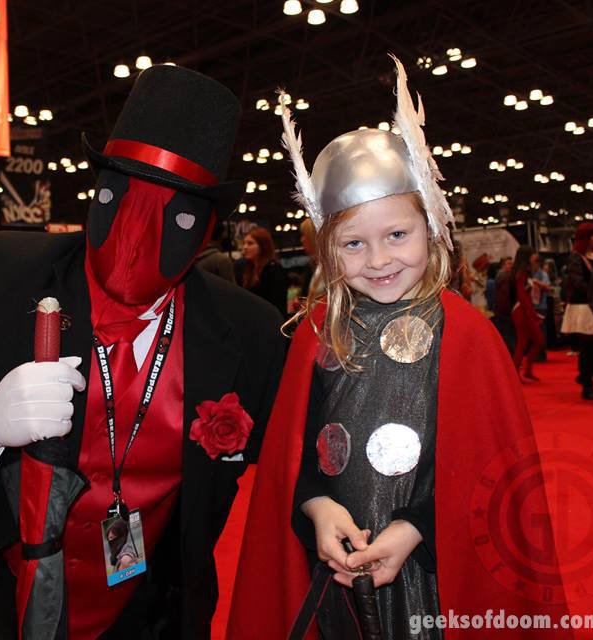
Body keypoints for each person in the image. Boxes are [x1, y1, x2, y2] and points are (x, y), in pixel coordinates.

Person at [0, 65, 285, 639]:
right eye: (117, 196)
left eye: (178, 214)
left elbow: (304, 448)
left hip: (142, 600)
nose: (135, 235)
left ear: (207, 228)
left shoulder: (249, 331)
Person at [229, 56, 569, 640]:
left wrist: (415, 527)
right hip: (336, 569)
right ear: (327, 250)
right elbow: (293, 457)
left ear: (430, 227)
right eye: (353, 244)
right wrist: (316, 507)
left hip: (432, 571)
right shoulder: (316, 333)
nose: (380, 260)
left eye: (396, 234)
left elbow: (486, 468)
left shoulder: (468, 334)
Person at [560, 223, 593, 400]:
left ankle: (587, 378)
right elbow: (576, 282)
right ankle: (587, 385)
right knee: (588, 347)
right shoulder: (576, 258)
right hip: (583, 308)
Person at [511, 245, 545, 382]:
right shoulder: (522, 272)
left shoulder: (525, 271)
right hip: (522, 310)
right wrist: (531, 314)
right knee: (529, 341)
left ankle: (525, 371)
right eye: (533, 254)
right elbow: (522, 296)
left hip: (524, 310)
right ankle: (520, 372)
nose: (535, 256)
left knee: (530, 341)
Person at [240, 226, 289, 316]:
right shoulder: (248, 269)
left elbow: (278, 305)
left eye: (250, 243)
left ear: (263, 246)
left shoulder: (274, 270)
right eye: (244, 243)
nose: (245, 247)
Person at [491, 256, 516, 354]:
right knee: (506, 335)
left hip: (502, 309)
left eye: (511, 264)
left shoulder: (503, 276)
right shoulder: (504, 276)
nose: (511, 266)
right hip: (503, 310)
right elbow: (503, 296)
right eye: (508, 263)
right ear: (502, 265)